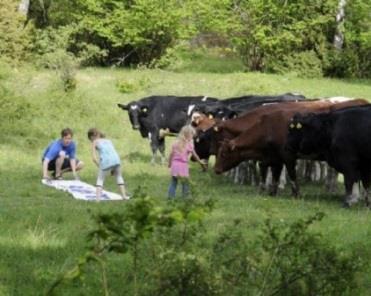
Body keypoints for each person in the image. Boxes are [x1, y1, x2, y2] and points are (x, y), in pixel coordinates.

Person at [87, 128, 129, 201]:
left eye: (90, 139)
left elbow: (94, 158)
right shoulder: (108, 141)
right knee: (119, 176)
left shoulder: (94, 142)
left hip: (106, 161)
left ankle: (97, 199)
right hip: (116, 159)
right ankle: (124, 196)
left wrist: (99, 166)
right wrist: (112, 169)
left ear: (92, 137)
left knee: (100, 179)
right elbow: (111, 153)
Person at [168, 125, 206, 198]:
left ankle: (170, 197)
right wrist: (200, 162)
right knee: (185, 183)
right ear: (189, 135)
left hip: (175, 165)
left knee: (173, 182)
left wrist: (169, 164)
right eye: (192, 135)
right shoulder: (189, 145)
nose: (192, 137)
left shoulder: (175, 143)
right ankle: (185, 197)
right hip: (183, 166)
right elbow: (195, 155)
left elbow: (171, 154)